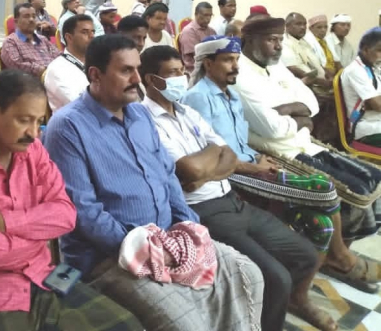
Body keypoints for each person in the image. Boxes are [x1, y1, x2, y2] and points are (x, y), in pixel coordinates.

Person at [44, 34, 264, 330]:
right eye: (126, 71)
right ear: (95, 75)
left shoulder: (139, 114)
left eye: (137, 68)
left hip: (169, 236)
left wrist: (187, 227)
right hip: (112, 255)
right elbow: (85, 212)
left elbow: (167, 176)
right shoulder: (68, 127)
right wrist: (147, 248)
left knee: (247, 274)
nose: (137, 79)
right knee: (186, 325)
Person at [0, 69, 143, 331]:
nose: (34, 133)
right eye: (24, 120)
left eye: (39, 121)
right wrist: (37, 236)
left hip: (43, 277)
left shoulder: (32, 149)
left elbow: (66, 214)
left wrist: (2, 222)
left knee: (129, 326)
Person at [140, 45, 326, 331]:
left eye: (182, 71)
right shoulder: (146, 121)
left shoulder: (187, 112)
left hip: (232, 199)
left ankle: (280, 304)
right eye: (172, 73)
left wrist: (209, 168)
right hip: (204, 211)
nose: (181, 78)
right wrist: (212, 158)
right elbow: (190, 170)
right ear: (152, 80)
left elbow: (226, 152)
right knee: (276, 277)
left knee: (306, 256)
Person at [185, 35, 369, 294]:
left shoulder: (232, 96)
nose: (235, 66)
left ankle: (300, 289)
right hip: (232, 175)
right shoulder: (197, 98)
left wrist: (259, 158)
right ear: (208, 64)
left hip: (252, 164)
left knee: (322, 223)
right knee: (324, 188)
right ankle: (340, 257)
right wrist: (254, 168)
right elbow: (211, 155)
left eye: (237, 59)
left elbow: (240, 140)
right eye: (227, 60)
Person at [234, 16, 381, 264]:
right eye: (271, 40)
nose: (278, 46)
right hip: (283, 152)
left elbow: (311, 102)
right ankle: (337, 255)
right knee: (355, 189)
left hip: (306, 143)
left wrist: (289, 109)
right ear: (249, 40)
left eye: (280, 40)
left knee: (373, 177)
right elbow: (272, 128)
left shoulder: (275, 66)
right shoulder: (240, 73)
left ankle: (339, 249)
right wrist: (300, 116)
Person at [341, 27, 381, 147]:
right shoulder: (356, 70)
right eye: (379, 50)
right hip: (367, 128)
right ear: (366, 50)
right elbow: (378, 105)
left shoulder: (373, 67)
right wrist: (373, 103)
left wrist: (373, 103)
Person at [44, 14, 93, 112]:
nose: (92, 36)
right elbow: (79, 105)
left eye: (93, 32)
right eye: (85, 32)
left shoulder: (96, 63)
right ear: (69, 37)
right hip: (76, 119)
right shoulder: (57, 69)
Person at [0, 3, 59, 76]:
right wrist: (45, 71)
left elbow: (58, 56)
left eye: (34, 16)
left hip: (55, 76)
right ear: (16, 22)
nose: (31, 19)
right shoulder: (10, 42)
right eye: (26, 16)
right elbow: (17, 65)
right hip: (31, 81)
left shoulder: (43, 39)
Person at [282, 12, 331, 89]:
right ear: (287, 26)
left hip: (320, 83)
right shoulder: (284, 42)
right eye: (298, 24)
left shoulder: (304, 42)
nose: (303, 27)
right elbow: (292, 68)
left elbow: (316, 63)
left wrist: (328, 76)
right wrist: (318, 81)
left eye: (304, 24)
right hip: (305, 86)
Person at [179, 2, 216, 74]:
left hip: (210, 68)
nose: (208, 18)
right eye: (205, 15)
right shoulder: (189, 31)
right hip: (194, 71)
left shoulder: (212, 31)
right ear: (196, 14)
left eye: (210, 15)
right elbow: (197, 55)